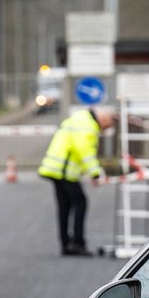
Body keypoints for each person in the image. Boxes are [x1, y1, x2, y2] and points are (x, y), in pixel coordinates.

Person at [38, 106, 114, 256]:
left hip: (55, 168)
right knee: (81, 202)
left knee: (64, 206)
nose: (102, 130)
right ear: (102, 119)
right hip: (64, 170)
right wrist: (95, 173)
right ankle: (77, 243)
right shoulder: (88, 126)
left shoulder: (79, 119)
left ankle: (66, 243)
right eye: (105, 127)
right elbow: (85, 151)